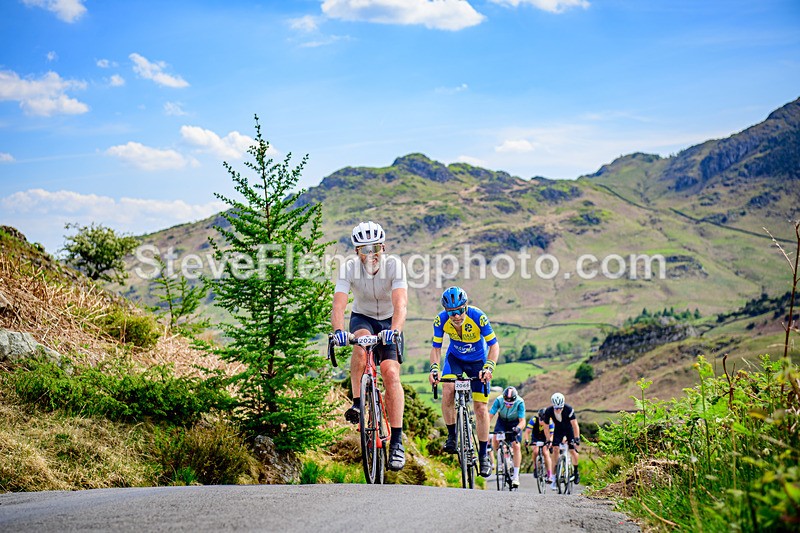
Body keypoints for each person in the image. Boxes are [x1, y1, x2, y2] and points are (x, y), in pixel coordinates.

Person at [331, 221, 408, 471]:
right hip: (362, 316)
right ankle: (357, 402)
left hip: (388, 320)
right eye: (364, 249)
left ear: (382, 247)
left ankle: (396, 441)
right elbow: (339, 305)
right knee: (360, 346)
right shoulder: (349, 269)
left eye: (375, 247)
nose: (370, 254)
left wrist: (395, 331)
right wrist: (338, 331)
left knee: (390, 373)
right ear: (357, 252)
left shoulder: (394, 265)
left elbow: (401, 305)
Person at [428, 286, 499, 478]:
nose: (456, 316)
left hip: (478, 362)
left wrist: (489, 367)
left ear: (465, 307)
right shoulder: (441, 320)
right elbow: (436, 348)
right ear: (446, 311)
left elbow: (494, 345)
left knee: (481, 409)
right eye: (451, 313)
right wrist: (434, 368)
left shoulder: (478, 316)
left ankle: (483, 456)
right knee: (448, 389)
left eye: (460, 311)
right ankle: (452, 435)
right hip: (456, 359)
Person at [488, 386, 526, 487]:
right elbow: (490, 415)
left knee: (516, 446)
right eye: (506, 403)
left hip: (515, 423)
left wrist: (518, 429)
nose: (508, 405)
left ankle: (516, 476)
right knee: (495, 440)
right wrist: (485, 427)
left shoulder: (520, 402)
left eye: (510, 404)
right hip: (502, 422)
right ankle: (501, 458)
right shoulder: (499, 400)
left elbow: (523, 421)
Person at [543, 392, 581, 487]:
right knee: (555, 449)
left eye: (560, 408)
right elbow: (546, 426)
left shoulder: (569, 409)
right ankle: (555, 477)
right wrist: (548, 439)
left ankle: (576, 471)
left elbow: (575, 425)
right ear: (553, 406)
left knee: (572, 450)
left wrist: (577, 438)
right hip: (558, 430)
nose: (559, 410)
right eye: (556, 408)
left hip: (569, 430)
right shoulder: (548, 411)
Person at [524, 407, 553, 483]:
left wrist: (550, 442)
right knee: (536, 451)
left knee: (546, 453)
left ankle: (549, 474)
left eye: (543, 421)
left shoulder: (550, 421)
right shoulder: (534, 420)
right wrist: (527, 441)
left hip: (545, 438)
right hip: (536, 437)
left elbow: (552, 434)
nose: (542, 422)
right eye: (540, 420)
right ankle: (535, 467)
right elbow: (527, 431)